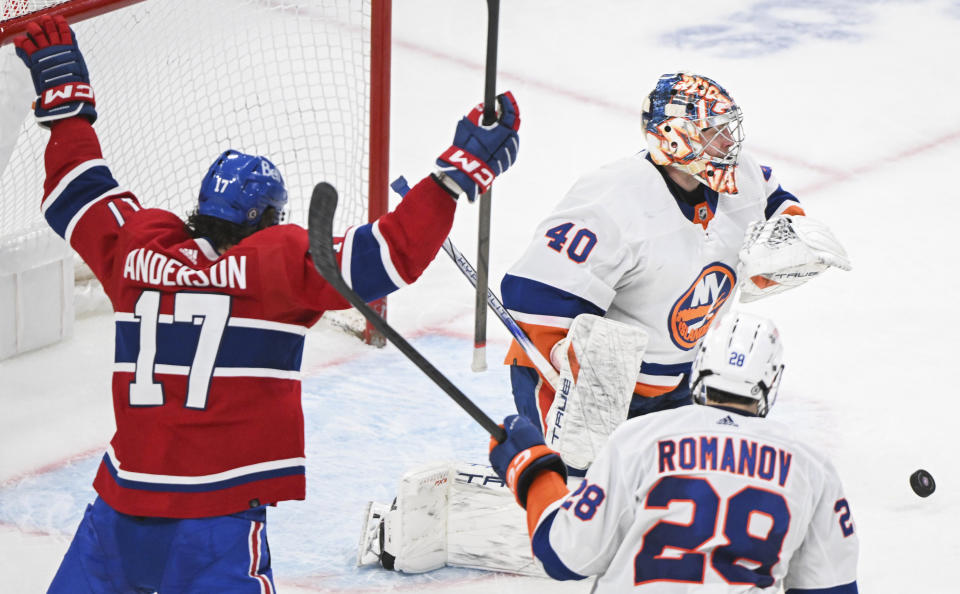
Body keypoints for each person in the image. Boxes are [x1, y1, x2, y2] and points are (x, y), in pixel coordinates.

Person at [14, 15, 521, 592]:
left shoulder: (135, 249)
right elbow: (389, 255)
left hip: (120, 506)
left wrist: (67, 106)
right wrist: (455, 176)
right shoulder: (274, 265)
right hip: (214, 517)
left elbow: (78, 190)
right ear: (267, 219)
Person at [500, 72, 850, 464]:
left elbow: (775, 199)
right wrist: (586, 385)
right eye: (715, 134)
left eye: (728, 130)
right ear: (676, 136)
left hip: (677, 382)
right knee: (572, 506)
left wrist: (786, 238)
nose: (729, 143)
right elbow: (531, 297)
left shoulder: (742, 174)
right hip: (584, 390)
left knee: (674, 505)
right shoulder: (614, 198)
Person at [489, 311, 860, 593]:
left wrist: (534, 471)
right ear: (772, 381)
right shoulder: (812, 467)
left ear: (700, 365)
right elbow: (833, 588)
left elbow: (563, 556)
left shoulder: (639, 439)